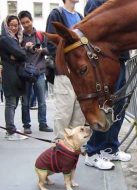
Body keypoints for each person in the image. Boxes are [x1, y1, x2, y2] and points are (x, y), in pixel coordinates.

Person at [84, 0, 131, 170]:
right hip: (105, 61)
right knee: (105, 107)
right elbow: (94, 30)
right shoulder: (95, 2)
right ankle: (93, 152)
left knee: (119, 107)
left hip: (119, 59)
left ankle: (110, 148)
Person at [46, 0, 86, 139]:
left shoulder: (80, 17)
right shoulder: (56, 14)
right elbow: (51, 44)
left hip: (80, 75)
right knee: (63, 115)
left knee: (79, 117)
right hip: (65, 74)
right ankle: (59, 152)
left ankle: (72, 155)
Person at [18, 10, 53, 134]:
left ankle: (42, 124)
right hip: (25, 73)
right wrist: (24, 48)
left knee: (42, 101)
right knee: (26, 102)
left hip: (39, 72)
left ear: (31, 20)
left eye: (27, 22)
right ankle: (26, 125)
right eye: (23, 23)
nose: (26, 25)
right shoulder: (20, 36)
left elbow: (50, 50)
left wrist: (42, 50)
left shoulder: (40, 35)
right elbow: (16, 52)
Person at [0, 15, 28, 140]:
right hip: (9, 74)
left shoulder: (15, 38)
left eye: (16, 25)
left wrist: (19, 53)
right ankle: (10, 131)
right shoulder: (5, 38)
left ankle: (11, 128)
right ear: (6, 25)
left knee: (14, 103)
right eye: (11, 25)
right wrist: (20, 53)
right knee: (11, 103)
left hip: (15, 74)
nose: (14, 27)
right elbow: (21, 53)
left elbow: (20, 54)